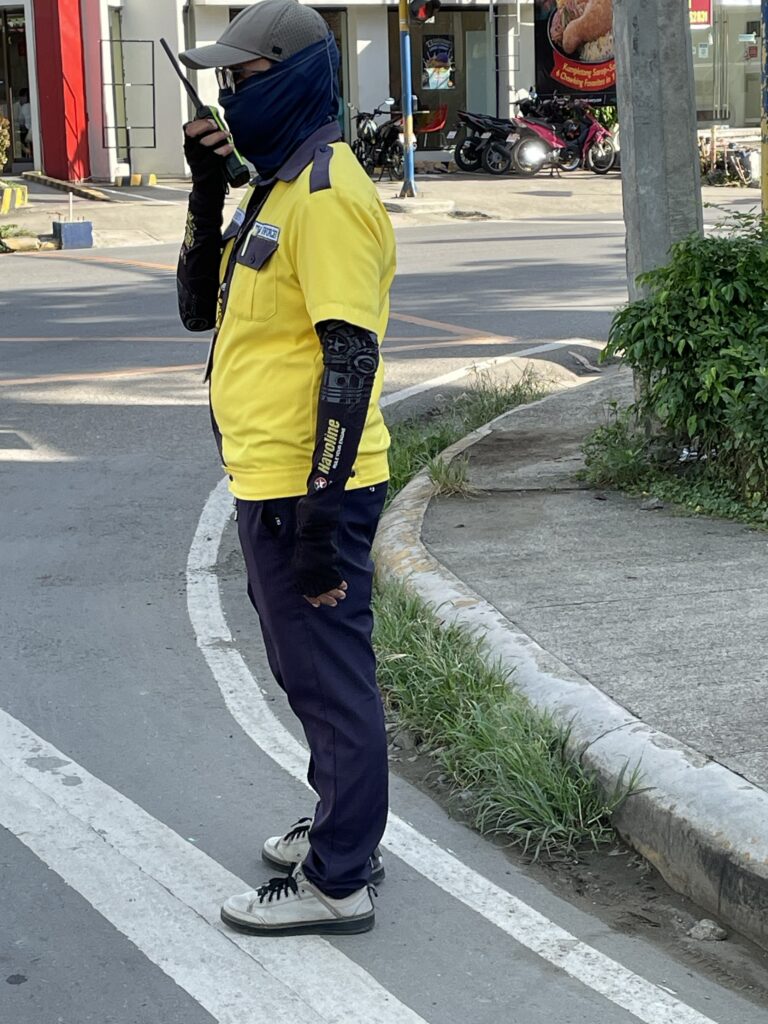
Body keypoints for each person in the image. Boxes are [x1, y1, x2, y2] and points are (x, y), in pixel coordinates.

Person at [176, 0, 396, 936]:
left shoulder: (329, 195)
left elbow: (350, 358)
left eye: (245, 77)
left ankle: (340, 878)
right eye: (223, 79)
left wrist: (318, 519)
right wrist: (205, 192)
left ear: (298, 76)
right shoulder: (275, 187)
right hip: (272, 481)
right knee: (306, 673)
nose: (229, 94)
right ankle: (342, 821)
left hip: (313, 488)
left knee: (331, 681)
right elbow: (200, 311)